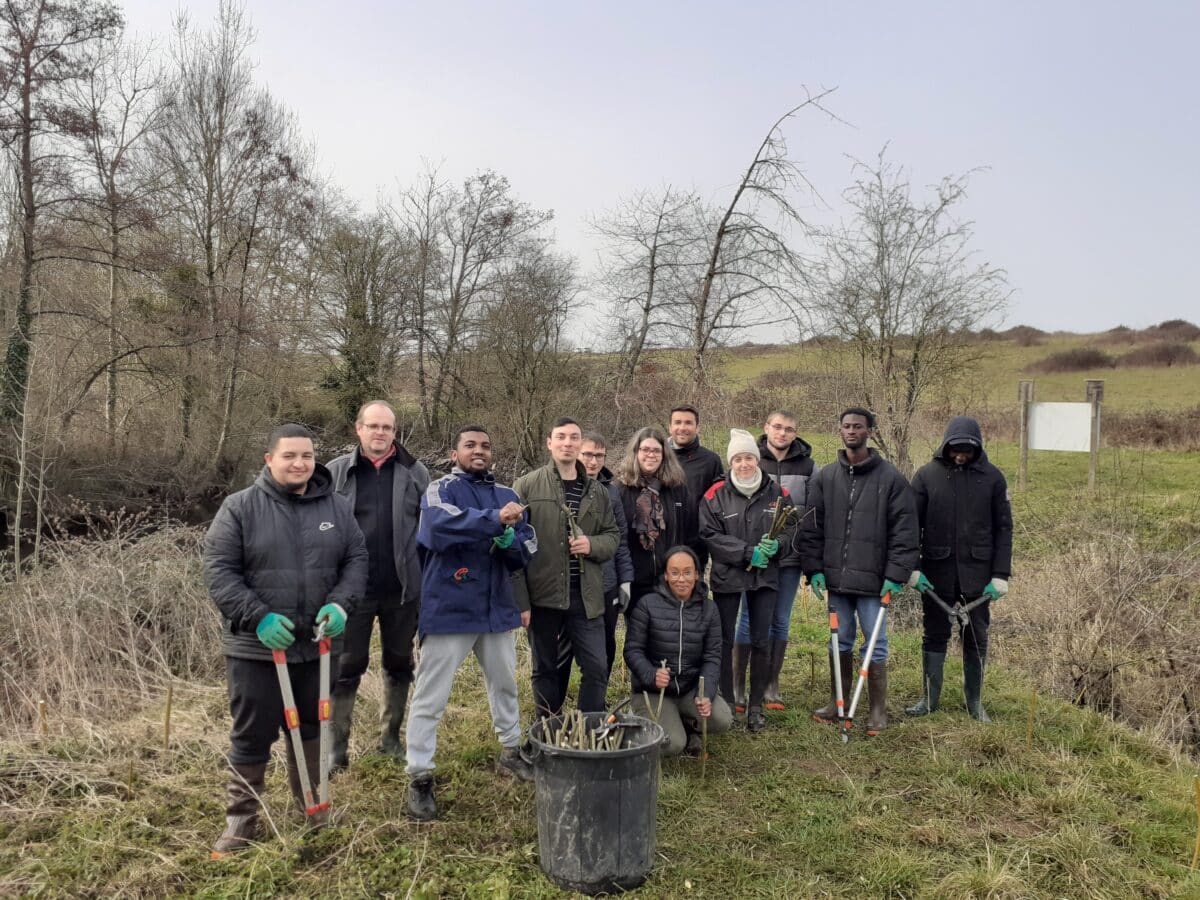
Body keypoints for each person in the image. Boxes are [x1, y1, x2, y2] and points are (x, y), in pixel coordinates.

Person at [203, 424, 368, 856]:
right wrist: (256, 616)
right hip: (257, 648)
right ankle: (241, 819)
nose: (300, 464)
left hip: (318, 645)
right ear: (269, 459)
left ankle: (313, 807)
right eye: (290, 456)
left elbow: (356, 559)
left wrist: (341, 605)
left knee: (314, 727)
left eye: (307, 456)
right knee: (252, 733)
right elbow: (218, 571)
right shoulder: (239, 508)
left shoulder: (337, 506)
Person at [405, 425, 538, 820]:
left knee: (505, 683)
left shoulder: (509, 494)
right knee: (432, 696)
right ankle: (419, 775)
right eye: (470, 445)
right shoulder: (440, 490)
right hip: (450, 608)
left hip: (496, 607)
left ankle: (512, 749)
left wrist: (508, 541)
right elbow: (437, 528)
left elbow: (529, 545)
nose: (478, 451)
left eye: (484, 446)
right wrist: (495, 521)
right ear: (454, 452)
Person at [325, 401, 430, 769]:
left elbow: (429, 531)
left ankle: (390, 738)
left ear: (394, 432)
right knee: (346, 666)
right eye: (373, 426)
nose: (380, 433)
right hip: (351, 592)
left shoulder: (415, 473)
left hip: (401, 589)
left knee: (399, 663)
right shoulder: (335, 473)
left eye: (387, 427)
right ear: (359, 429)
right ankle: (336, 749)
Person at [801, 408, 918, 736]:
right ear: (840, 430)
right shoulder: (825, 477)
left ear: (870, 431)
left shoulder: (890, 478)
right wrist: (814, 570)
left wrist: (896, 574)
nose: (851, 431)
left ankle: (877, 710)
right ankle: (837, 701)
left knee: (876, 644)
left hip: (875, 582)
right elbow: (811, 527)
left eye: (858, 426)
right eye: (846, 426)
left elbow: (905, 532)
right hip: (837, 581)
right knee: (840, 641)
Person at [905, 416, 1013, 723]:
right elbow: (911, 527)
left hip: (978, 574)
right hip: (936, 572)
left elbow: (1004, 530)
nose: (960, 455)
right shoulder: (927, 476)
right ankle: (929, 698)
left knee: (976, 636)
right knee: (934, 633)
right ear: (946, 446)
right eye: (955, 450)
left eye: (967, 450)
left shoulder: (993, 479)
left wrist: (1000, 575)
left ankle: (975, 701)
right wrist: (913, 568)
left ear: (977, 448)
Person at [513, 418, 621, 717]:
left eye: (574, 437)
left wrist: (591, 545)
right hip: (543, 596)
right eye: (561, 437)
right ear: (549, 443)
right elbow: (513, 548)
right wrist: (521, 601)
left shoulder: (597, 491)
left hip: (586, 597)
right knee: (545, 668)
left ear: (580, 444)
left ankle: (590, 731)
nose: (567, 443)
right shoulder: (527, 485)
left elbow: (613, 537)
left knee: (597, 667)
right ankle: (547, 730)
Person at [699, 429, 799, 732]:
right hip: (728, 577)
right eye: (739, 458)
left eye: (749, 458)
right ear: (732, 461)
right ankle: (728, 702)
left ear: (757, 460)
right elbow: (709, 535)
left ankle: (755, 705)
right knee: (726, 639)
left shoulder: (777, 493)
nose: (744, 464)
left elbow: (792, 529)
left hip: (765, 577)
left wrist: (779, 545)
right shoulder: (715, 494)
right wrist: (745, 552)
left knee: (761, 640)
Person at [731, 410, 819, 713]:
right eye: (777, 427)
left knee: (780, 620)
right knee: (746, 618)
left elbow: (810, 515)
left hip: (790, 557)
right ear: (766, 428)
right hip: (754, 557)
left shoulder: (808, 467)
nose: (782, 433)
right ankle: (737, 687)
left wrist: (806, 554)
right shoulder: (752, 461)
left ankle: (770, 684)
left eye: (789, 429)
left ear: (796, 433)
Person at [625, 546, 731, 755]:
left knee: (722, 719)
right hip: (655, 692)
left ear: (697, 574)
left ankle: (683, 721)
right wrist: (651, 674)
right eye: (674, 573)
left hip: (688, 689)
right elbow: (632, 650)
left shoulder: (709, 609)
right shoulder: (647, 604)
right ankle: (637, 721)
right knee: (673, 744)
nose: (681, 579)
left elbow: (712, 657)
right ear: (666, 575)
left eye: (687, 572)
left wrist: (706, 694)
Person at [555, 432, 635, 698]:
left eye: (599, 456)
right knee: (561, 649)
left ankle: (595, 704)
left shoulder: (611, 492)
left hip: (606, 583)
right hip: (569, 585)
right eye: (587, 454)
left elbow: (620, 538)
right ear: (577, 453)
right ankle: (556, 703)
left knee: (605, 646)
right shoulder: (558, 486)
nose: (592, 461)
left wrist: (625, 580)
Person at [616, 426, 701, 614]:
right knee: (637, 639)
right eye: (645, 450)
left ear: (664, 455)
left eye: (656, 450)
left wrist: (694, 574)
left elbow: (692, 535)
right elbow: (617, 538)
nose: (651, 455)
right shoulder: (621, 490)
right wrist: (623, 578)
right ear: (636, 452)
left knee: (666, 637)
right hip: (635, 579)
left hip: (669, 578)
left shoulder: (678, 489)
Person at [667, 404, 725, 568]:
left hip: (695, 547)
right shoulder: (657, 457)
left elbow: (719, 505)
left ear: (697, 427)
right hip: (660, 546)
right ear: (670, 426)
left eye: (688, 423)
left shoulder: (710, 460)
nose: (682, 427)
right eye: (677, 422)